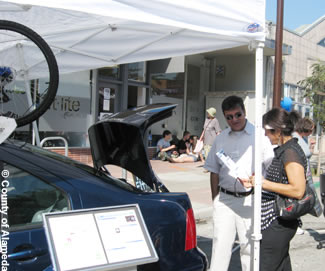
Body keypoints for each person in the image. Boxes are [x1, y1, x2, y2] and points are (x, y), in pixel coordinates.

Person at [204, 96, 273, 271]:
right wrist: (216, 199)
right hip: (225, 199)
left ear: (244, 112)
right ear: (224, 117)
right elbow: (214, 170)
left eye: (238, 114)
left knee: (249, 247)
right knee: (220, 246)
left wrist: (259, 178)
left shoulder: (259, 136)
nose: (234, 120)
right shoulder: (221, 139)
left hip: (249, 200)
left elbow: (271, 166)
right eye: (229, 117)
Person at [240, 108, 308, 271]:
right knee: (281, 265)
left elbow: (298, 190)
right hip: (277, 220)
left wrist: (263, 183)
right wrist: (256, 183)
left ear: (277, 130)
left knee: (266, 265)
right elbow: (280, 183)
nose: (265, 135)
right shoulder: (286, 150)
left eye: (267, 131)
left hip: (278, 222)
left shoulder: (290, 152)